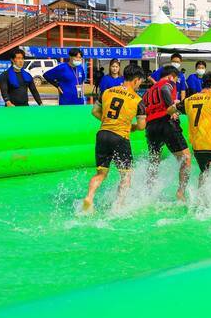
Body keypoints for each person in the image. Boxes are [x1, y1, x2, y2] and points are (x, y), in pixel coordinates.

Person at [82, 64, 147, 212]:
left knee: (101, 174)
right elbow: (142, 126)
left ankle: (89, 197)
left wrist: (109, 122)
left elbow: (95, 111)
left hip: (103, 134)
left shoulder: (107, 92)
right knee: (126, 175)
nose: (139, 85)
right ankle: (118, 206)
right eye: (140, 82)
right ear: (136, 80)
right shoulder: (138, 100)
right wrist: (131, 127)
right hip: (120, 137)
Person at [142, 65, 191, 201]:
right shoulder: (167, 83)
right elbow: (165, 89)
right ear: (171, 76)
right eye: (175, 80)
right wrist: (172, 108)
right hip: (166, 122)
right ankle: (181, 192)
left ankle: (148, 192)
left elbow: (141, 107)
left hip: (150, 127)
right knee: (186, 159)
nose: (175, 83)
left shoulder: (148, 91)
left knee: (154, 161)